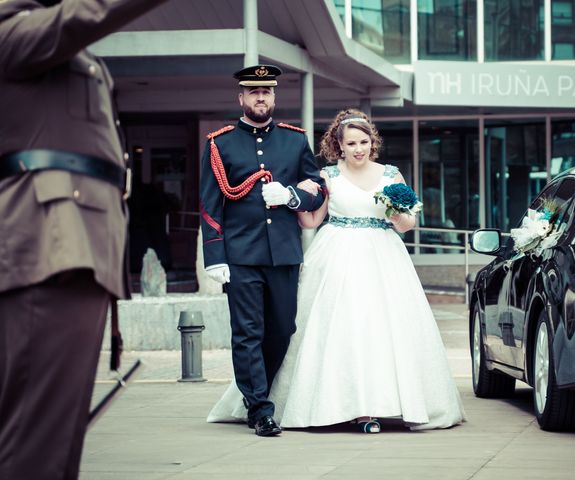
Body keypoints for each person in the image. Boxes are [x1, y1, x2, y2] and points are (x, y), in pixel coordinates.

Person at [208, 108, 465, 433]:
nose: (358, 148)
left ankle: (387, 403)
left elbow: (408, 224)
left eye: (364, 141)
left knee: (382, 328)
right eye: (351, 143)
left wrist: (396, 214)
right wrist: (293, 198)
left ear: (373, 142)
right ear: (338, 145)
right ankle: (337, 405)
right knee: (338, 328)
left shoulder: (392, 175)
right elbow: (313, 220)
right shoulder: (328, 176)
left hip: (383, 257)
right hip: (337, 254)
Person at [0, 1, 169, 478]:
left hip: (72, 247)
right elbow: (85, 14)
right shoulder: (13, 34)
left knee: (54, 433)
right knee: (38, 439)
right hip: (50, 246)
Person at [199, 64, 326, 437]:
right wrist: (215, 256)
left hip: (284, 253)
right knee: (247, 332)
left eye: (266, 92)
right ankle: (259, 408)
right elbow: (210, 204)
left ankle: (256, 393)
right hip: (240, 255)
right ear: (241, 98)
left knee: (283, 328)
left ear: (274, 97)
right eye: (253, 92)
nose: (260, 97)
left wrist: (291, 196)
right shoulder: (219, 143)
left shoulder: (294, 139)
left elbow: (317, 187)